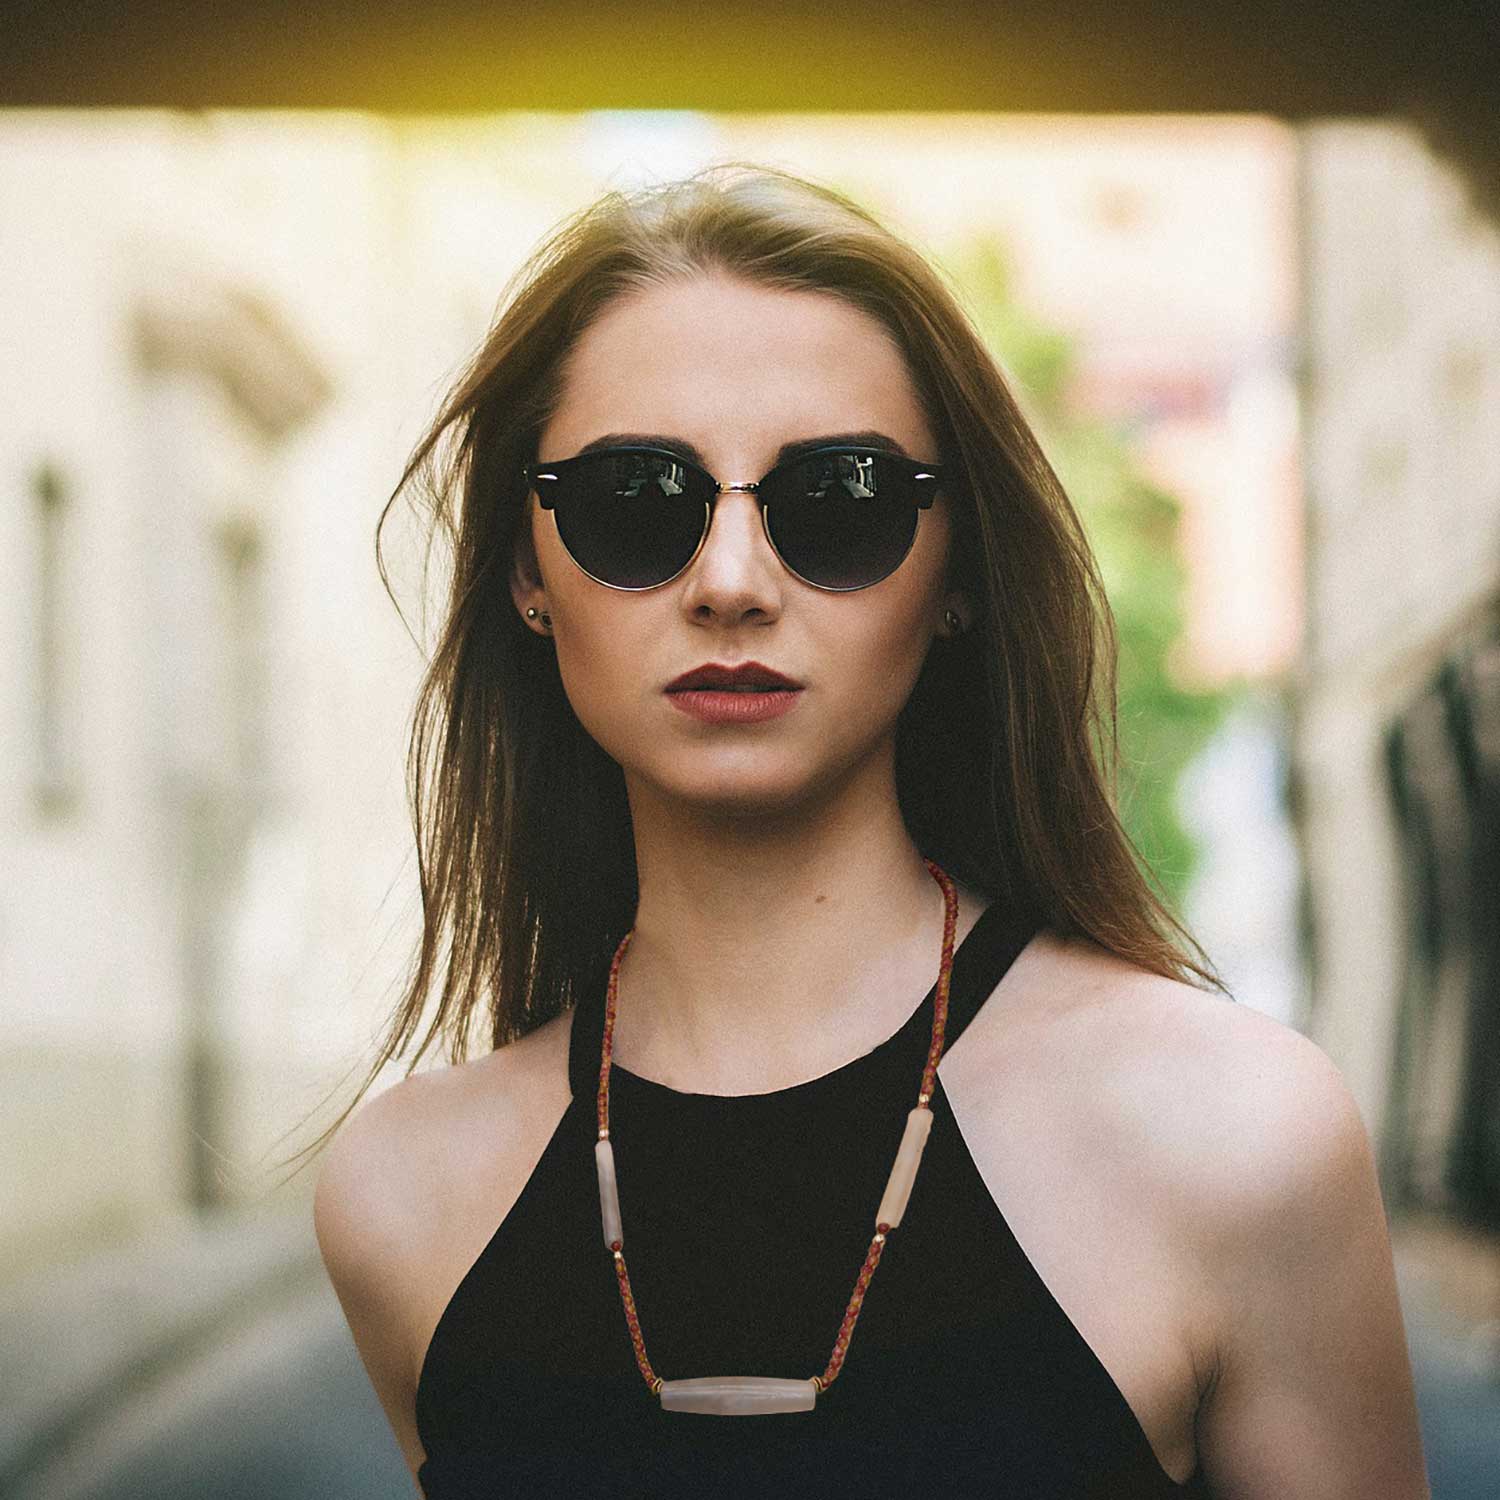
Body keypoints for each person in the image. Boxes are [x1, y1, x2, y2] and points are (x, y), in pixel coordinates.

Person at [312, 164, 1430, 1497]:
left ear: (955, 569)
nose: (732, 583)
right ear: (525, 573)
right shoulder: (405, 1197)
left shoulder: (1239, 1137)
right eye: (635, 501)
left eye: (838, 500)